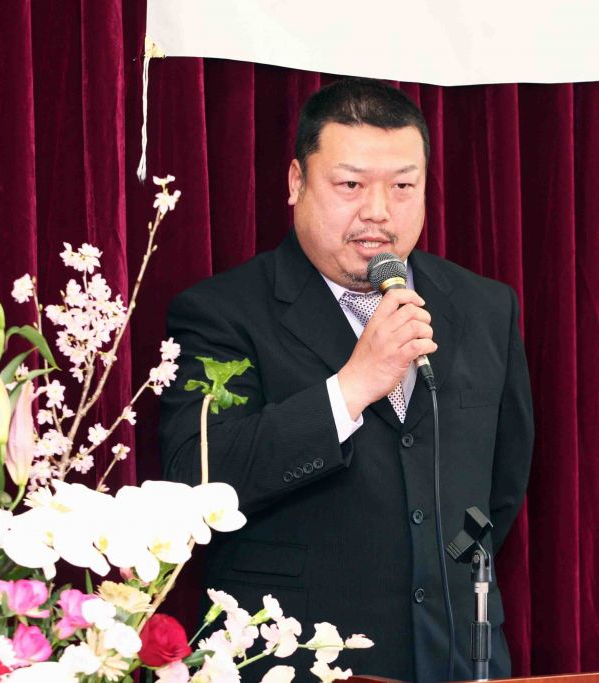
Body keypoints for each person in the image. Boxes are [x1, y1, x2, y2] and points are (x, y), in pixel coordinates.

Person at [159, 77, 533, 682]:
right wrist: (352, 387)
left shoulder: (484, 306)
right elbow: (196, 479)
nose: (378, 211)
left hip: (458, 655)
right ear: (296, 183)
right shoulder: (221, 313)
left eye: (403, 186)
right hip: (293, 661)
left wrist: (455, 566)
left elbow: (502, 484)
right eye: (351, 185)